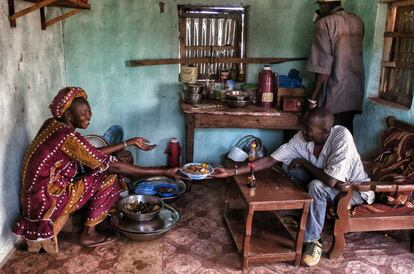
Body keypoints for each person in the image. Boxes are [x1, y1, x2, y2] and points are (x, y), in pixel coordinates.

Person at [14, 86, 180, 248]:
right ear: (69, 115)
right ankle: (89, 234)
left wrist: (128, 142)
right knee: (110, 176)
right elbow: (113, 166)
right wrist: (164, 171)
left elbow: (90, 152)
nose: (89, 116)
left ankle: (92, 223)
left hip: (35, 198)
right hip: (47, 202)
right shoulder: (67, 136)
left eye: (89, 110)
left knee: (102, 167)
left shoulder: (52, 125)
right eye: (83, 113)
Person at [212, 108, 374, 267]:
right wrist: (231, 171)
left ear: (325, 132)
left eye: (308, 129)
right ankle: (300, 213)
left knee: (316, 185)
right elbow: (271, 160)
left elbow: (331, 181)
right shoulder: (303, 137)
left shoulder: (341, 136)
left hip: (353, 192)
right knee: (291, 169)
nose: (303, 131)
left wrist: (304, 162)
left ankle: (313, 240)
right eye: (303, 126)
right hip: (328, 182)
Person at [307, 0, 365, 134]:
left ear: (325, 5)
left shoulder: (323, 23)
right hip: (354, 93)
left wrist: (312, 99)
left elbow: (323, 71)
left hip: (334, 95)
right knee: (346, 137)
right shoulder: (358, 21)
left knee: (329, 140)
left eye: (320, 6)